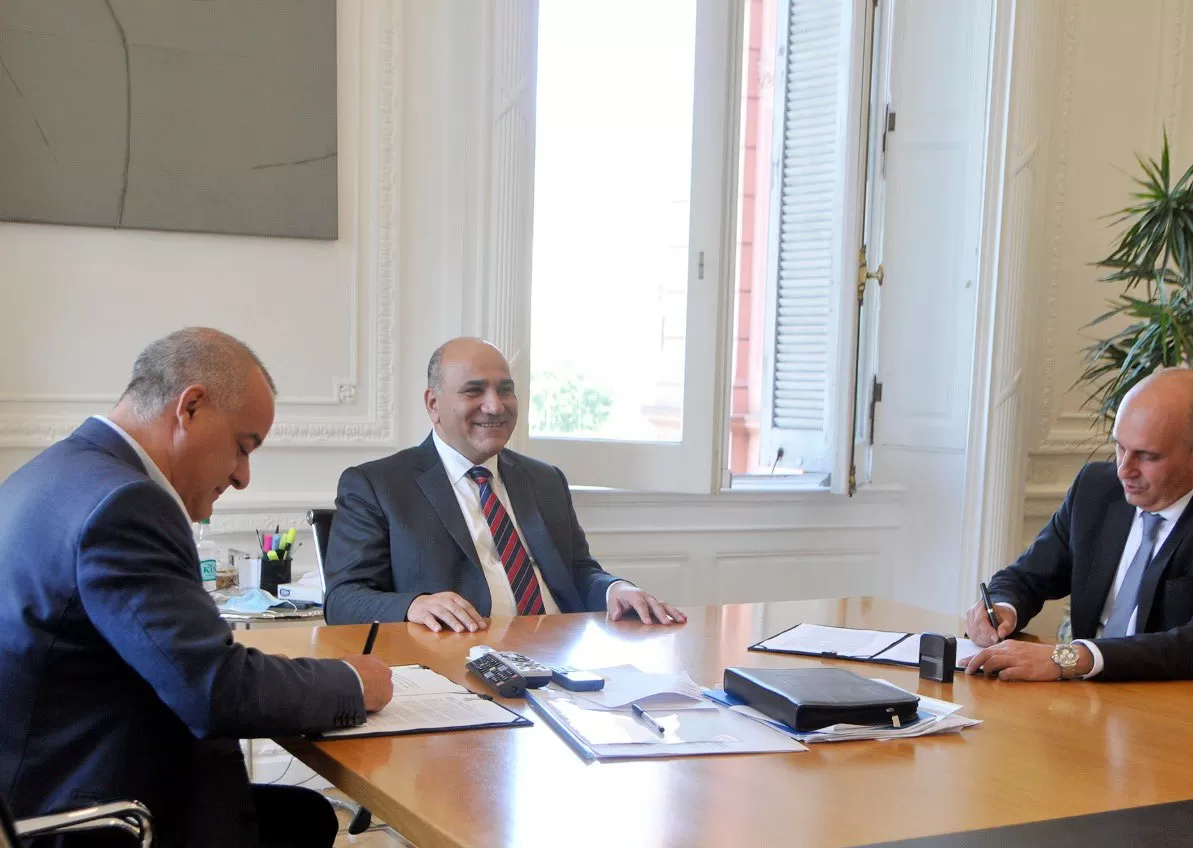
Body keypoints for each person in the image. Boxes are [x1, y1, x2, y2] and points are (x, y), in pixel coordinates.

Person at [0, 328, 394, 848]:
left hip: (44, 785)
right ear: (190, 408)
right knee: (306, 822)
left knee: (309, 816)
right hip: (100, 816)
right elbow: (214, 691)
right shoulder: (125, 505)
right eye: (242, 447)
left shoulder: (49, 473)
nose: (243, 477)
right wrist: (352, 682)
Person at [324, 337, 687, 631]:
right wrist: (414, 605)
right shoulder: (377, 485)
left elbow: (577, 573)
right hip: (461, 664)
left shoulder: (545, 480)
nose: (495, 406)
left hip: (563, 657)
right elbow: (343, 600)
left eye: (506, 390)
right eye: (474, 391)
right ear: (433, 404)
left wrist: (615, 589)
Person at [964, 368, 1193, 684]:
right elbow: (1028, 576)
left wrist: (1071, 658)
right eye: (1120, 447)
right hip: (1093, 698)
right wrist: (1002, 609)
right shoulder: (1095, 488)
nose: (1124, 470)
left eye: (1146, 456)